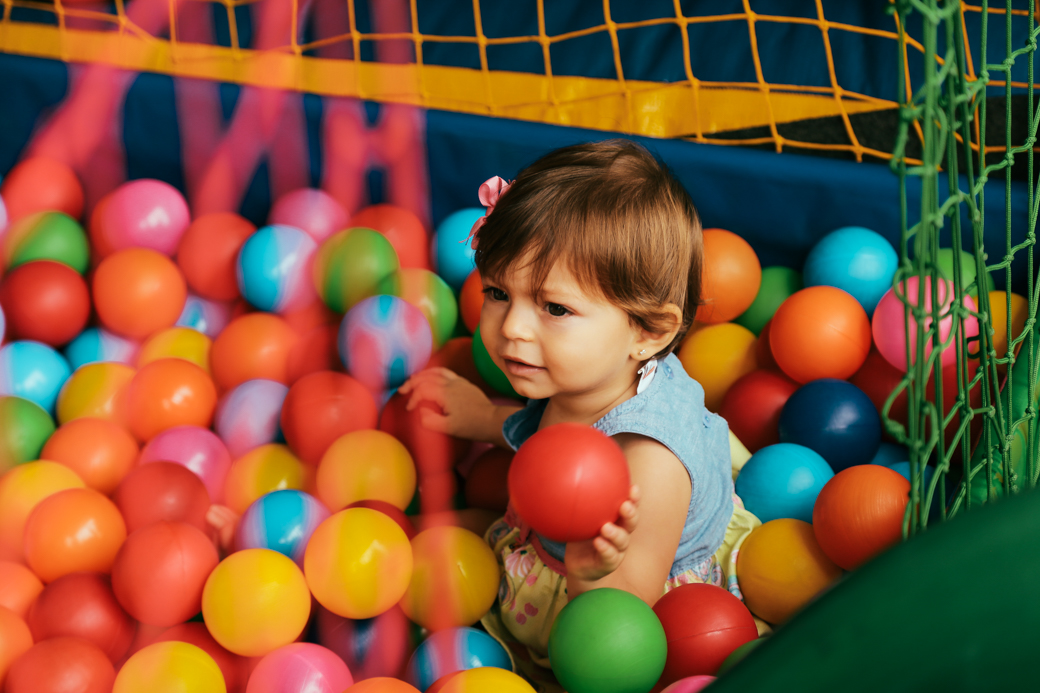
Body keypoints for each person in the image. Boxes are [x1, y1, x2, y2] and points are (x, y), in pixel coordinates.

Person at [400, 140, 760, 690]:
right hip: (556, 537)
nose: (512, 328)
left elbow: (621, 626)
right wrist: (481, 418)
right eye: (498, 291)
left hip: (614, 583)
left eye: (555, 307)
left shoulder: (646, 462)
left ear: (648, 332)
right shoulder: (579, 368)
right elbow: (550, 436)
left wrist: (590, 573)